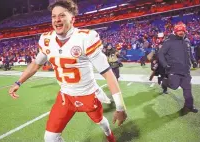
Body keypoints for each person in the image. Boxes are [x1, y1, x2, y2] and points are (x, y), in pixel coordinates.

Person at [8, 0, 127, 142]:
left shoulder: (85, 38)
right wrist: (18, 82)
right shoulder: (46, 39)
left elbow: (108, 73)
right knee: (50, 138)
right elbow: (36, 63)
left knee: (100, 121)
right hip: (65, 97)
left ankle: (109, 136)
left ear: (72, 18)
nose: (57, 20)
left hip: (87, 95)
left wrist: (120, 107)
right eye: (53, 16)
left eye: (62, 15)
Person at [158, 22, 198, 115]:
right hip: (174, 70)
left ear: (185, 31)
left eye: (182, 30)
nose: (181, 32)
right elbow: (161, 54)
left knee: (187, 90)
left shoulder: (187, 41)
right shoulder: (169, 41)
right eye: (179, 30)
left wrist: (194, 61)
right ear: (175, 31)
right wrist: (165, 65)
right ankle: (164, 81)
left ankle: (189, 106)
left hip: (185, 71)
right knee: (174, 86)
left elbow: (190, 53)